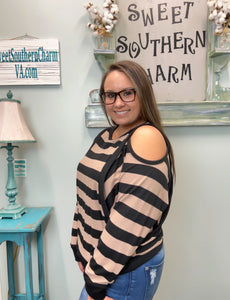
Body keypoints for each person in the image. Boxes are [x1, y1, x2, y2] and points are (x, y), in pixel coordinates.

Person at [71, 60, 175, 300]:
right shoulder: (106, 136)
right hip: (104, 264)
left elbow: (129, 219)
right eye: (110, 95)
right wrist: (79, 246)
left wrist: (95, 280)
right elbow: (85, 197)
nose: (117, 102)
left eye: (127, 93)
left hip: (125, 270)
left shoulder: (146, 137)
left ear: (142, 93)